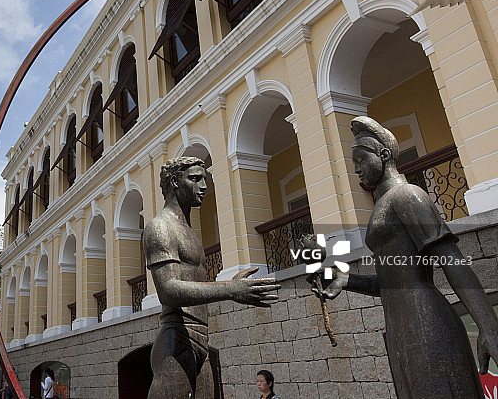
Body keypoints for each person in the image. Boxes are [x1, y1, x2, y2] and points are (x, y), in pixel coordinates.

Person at [309, 116, 498, 399]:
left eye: (360, 160)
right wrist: (346, 279)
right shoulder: (382, 206)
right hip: (401, 328)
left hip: (428, 324)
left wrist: (488, 325)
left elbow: (451, 259)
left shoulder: (407, 195)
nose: (357, 169)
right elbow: (389, 282)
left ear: (383, 155)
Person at [143, 157, 279, 399]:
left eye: (204, 179)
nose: (203, 186)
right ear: (175, 181)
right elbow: (168, 291)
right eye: (194, 179)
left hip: (200, 340)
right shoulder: (159, 227)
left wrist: (233, 286)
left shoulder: (189, 232)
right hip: (176, 340)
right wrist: (230, 289)